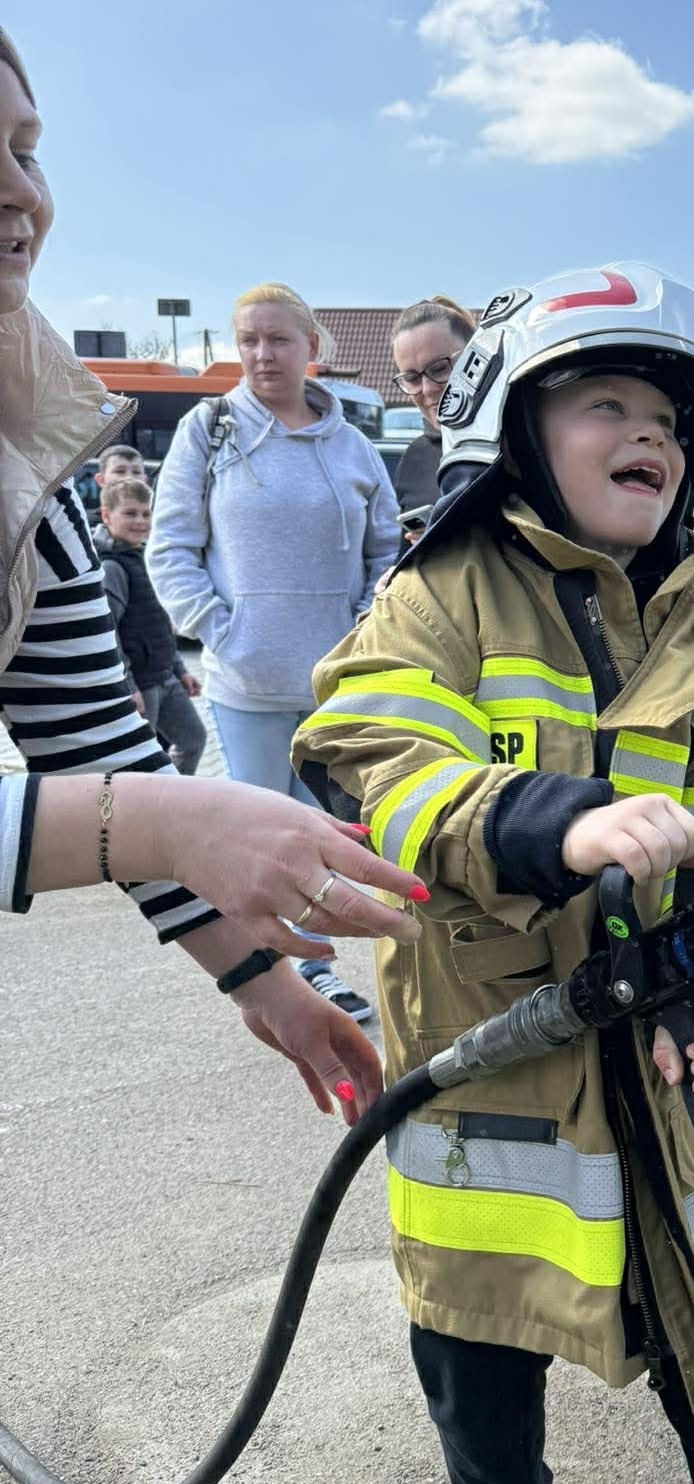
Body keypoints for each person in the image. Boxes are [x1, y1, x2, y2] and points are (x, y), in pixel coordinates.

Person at [292, 263, 694, 1482]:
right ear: (511, 428)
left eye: (672, 422)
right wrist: (552, 821)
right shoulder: (438, 594)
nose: (650, 437)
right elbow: (371, 755)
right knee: (487, 1422)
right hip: (491, 1093)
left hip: (683, 1103)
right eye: (607, 405)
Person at [0, 23, 424, 1126]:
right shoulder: (205, 436)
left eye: (27, 150)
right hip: (246, 676)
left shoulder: (23, 446)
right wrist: (165, 817)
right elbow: (134, 794)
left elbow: (90, 737)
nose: (20, 194)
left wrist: (269, 985)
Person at [148, 280, 399, 1023]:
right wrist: (223, 631)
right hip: (247, 682)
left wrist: (359, 630)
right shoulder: (212, 427)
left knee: (322, 839)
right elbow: (170, 549)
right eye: (250, 339)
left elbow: (386, 552)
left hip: (334, 684)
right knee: (254, 843)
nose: (263, 354)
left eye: (279, 339)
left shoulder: (351, 445)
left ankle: (308, 966)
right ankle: (292, 978)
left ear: (311, 348)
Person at [94, 476, 206, 774]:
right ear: (106, 515)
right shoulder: (112, 567)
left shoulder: (146, 557)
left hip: (166, 677)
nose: (140, 521)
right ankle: (145, 814)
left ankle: (172, 801)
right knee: (142, 760)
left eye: (146, 513)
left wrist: (180, 670)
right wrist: (127, 685)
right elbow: (109, 633)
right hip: (141, 684)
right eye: (130, 513)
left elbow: (159, 623)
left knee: (193, 739)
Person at [389, 295, 476, 516]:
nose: (427, 389)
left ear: (477, 356)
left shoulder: (522, 440)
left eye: (439, 369)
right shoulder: (415, 457)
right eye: (412, 378)